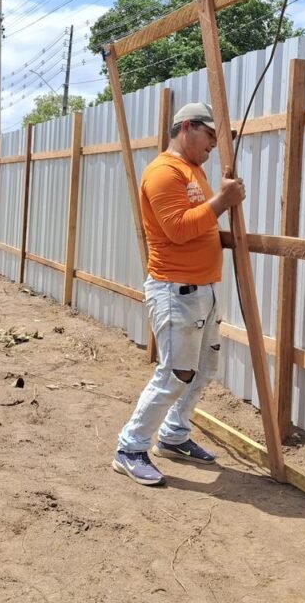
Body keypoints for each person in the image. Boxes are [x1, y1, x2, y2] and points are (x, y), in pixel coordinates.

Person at [112, 101, 246, 486]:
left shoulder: (195, 172)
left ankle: (173, 436)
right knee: (176, 373)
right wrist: (222, 202)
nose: (214, 145)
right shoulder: (163, 172)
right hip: (176, 290)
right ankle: (130, 447)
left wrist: (219, 203)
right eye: (210, 136)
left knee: (204, 369)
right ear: (187, 127)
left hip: (203, 289)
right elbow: (177, 229)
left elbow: (200, 225)